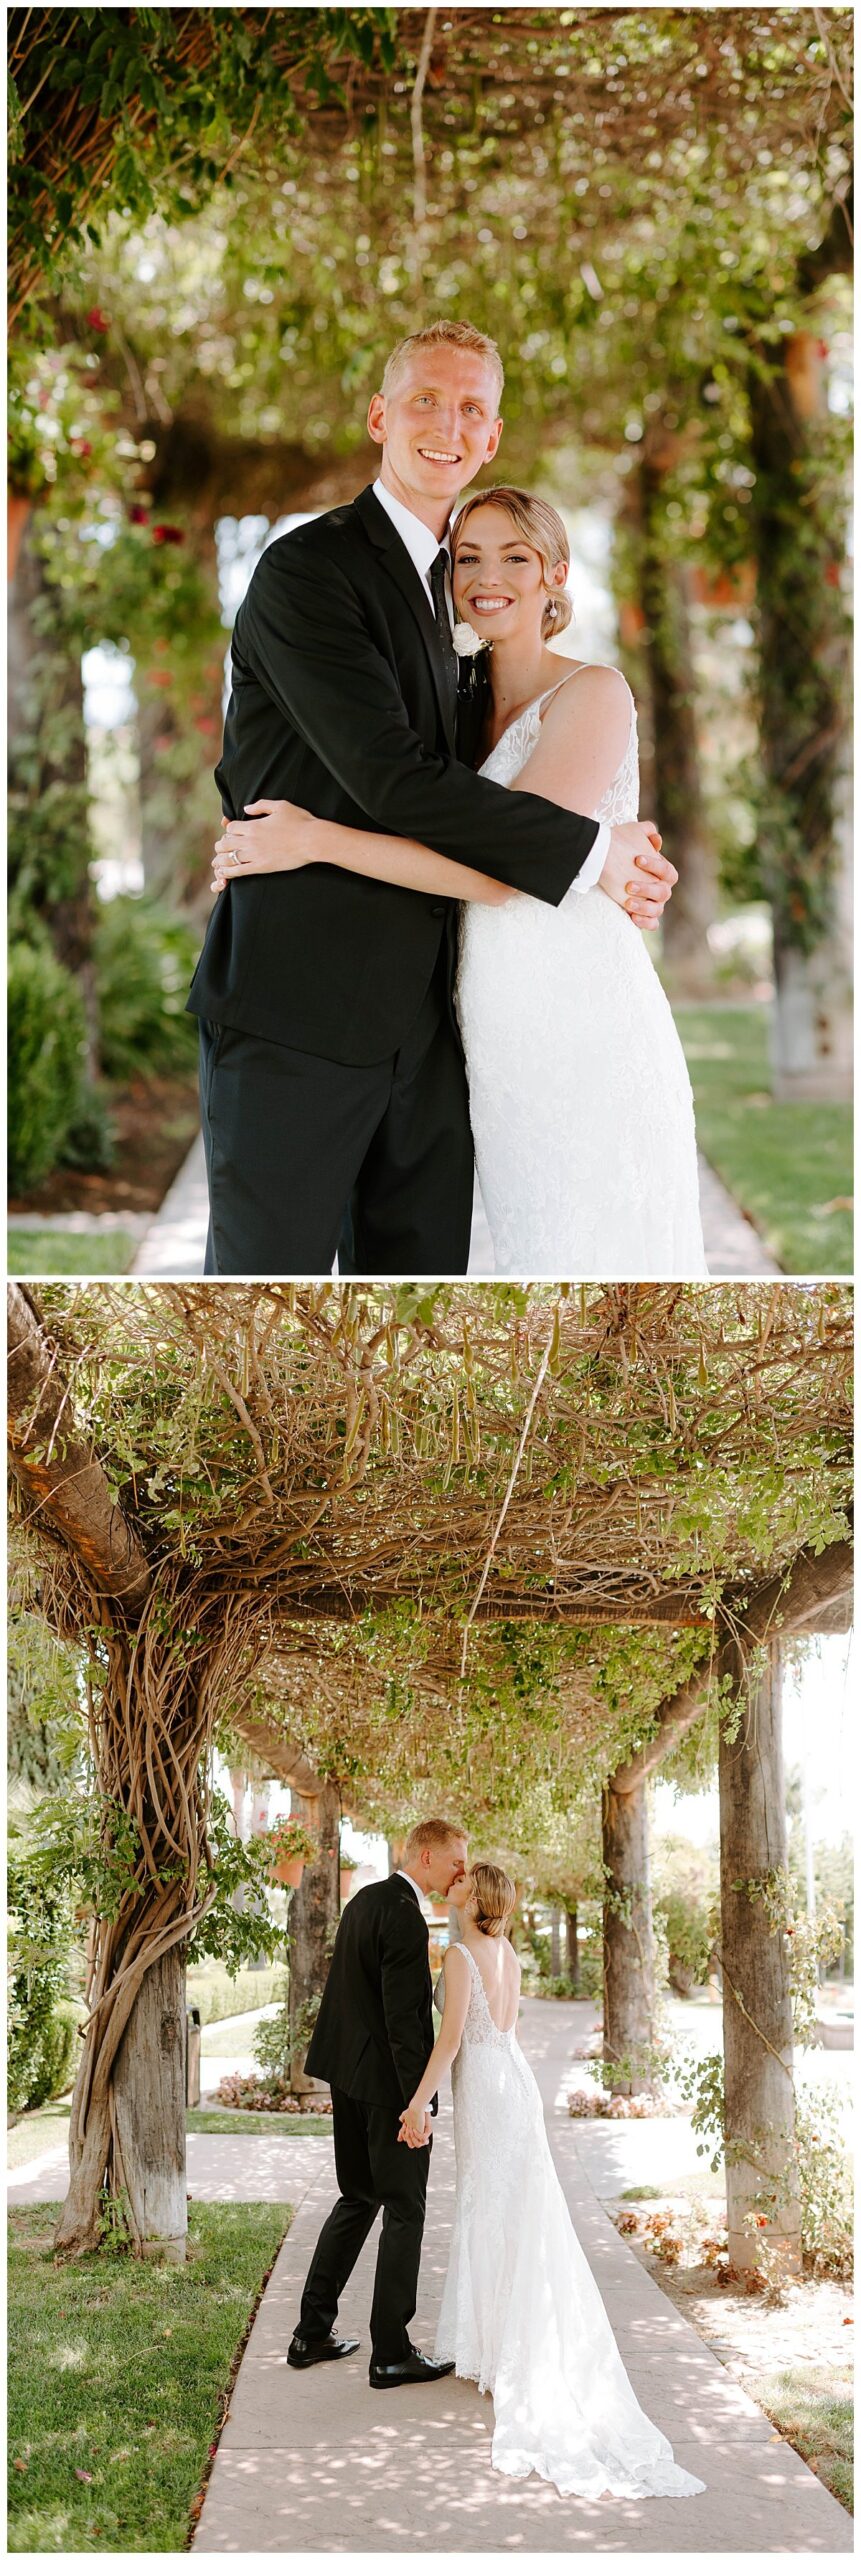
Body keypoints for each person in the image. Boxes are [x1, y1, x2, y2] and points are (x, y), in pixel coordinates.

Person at [189, 318, 676, 1274]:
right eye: (424, 399)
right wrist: (586, 856)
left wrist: (593, 838)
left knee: (417, 1295)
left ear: (491, 436)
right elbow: (390, 778)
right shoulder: (308, 572)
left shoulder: (451, 602)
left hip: (439, 1028)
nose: (444, 424)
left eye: (470, 408)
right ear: (379, 415)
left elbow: (486, 776)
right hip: (303, 1013)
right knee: (265, 1291)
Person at [397, 1861, 706, 2501]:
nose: (451, 1884)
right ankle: (497, 2339)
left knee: (490, 2210)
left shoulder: (459, 1956)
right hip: (513, 2082)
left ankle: (499, 2346)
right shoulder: (505, 1950)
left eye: (461, 1882)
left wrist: (418, 2104)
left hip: (484, 2084)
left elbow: (450, 2041)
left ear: (473, 1897)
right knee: (515, 2214)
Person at [286, 1817, 468, 2388]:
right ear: (428, 1857)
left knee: (357, 2198)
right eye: (457, 1859)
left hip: (347, 2079)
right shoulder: (407, 1919)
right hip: (390, 2090)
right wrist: (420, 2103)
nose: (463, 1869)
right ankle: (391, 2353)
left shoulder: (364, 1900)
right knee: (406, 2211)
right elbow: (403, 2024)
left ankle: (311, 2334)